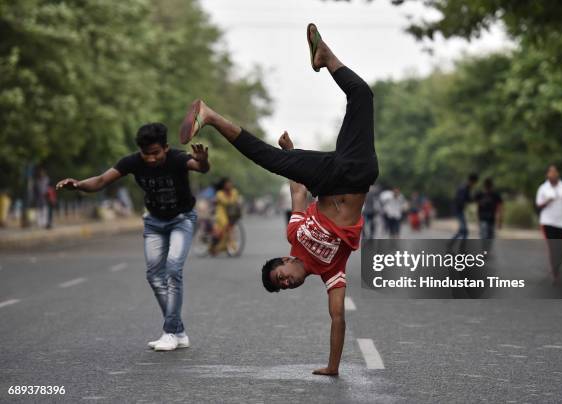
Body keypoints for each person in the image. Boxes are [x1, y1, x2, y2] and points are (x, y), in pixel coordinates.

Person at [178, 23, 377, 376]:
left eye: (279, 276)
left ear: (285, 260)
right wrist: (332, 367)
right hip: (357, 173)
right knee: (363, 97)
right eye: (283, 286)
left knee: (270, 157)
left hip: (327, 178)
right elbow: (338, 318)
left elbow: (297, 190)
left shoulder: (294, 234)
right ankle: (209, 115)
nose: (285, 282)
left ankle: (324, 58)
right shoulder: (332, 274)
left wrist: (292, 157)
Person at [56, 123, 210, 351]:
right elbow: (100, 181)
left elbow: (201, 168)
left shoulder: (177, 158)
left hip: (181, 219)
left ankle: (169, 332)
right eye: (145, 154)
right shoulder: (132, 162)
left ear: (166, 148)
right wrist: (78, 185)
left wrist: (203, 160)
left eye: (155, 153)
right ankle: (178, 331)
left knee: (173, 269)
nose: (150, 159)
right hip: (154, 222)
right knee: (154, 276)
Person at [535, 164, 562, 282]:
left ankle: (557, 268)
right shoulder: (543, 188)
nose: (553, 174)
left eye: (554, 172)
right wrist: (547, 201)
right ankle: (555, 273)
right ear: (547, 174)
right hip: (547, 222)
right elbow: (539, 205)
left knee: (561, 248)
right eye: (550, 172)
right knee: (552, 247)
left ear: (558, 173)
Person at [209, 177, 241, 255]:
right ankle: (231, 246)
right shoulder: (219, 193)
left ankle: (223, 246)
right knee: (226, 226)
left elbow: (236, 202)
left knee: (229, 228)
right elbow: (223, 202)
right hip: (221, 213)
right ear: (223, 185)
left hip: (230, 213)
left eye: (230, 183)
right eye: (227, 183)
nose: (229, 185)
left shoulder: (234, 192)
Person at [451, 173, 479, 240]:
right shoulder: (464, 188)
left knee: (462, 230)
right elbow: (463, 200)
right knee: (464, 231)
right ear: (472, 181)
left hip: (460, 210)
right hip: (458, 210)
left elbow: (467, 199)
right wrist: (473, 200)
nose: (474, 185)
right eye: (474, 183)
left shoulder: (466, 187)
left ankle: (450, 243)